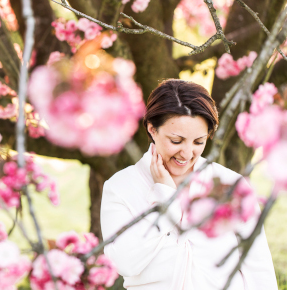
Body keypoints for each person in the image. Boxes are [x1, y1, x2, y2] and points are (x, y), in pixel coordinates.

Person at [100, 79, 277, 289]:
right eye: (176, 141)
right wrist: (164, 197)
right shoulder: (121, 187)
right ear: (152, 129)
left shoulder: (231, 185)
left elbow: (257, 267)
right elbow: (124, 264)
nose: (186, 153)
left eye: (198, 142)